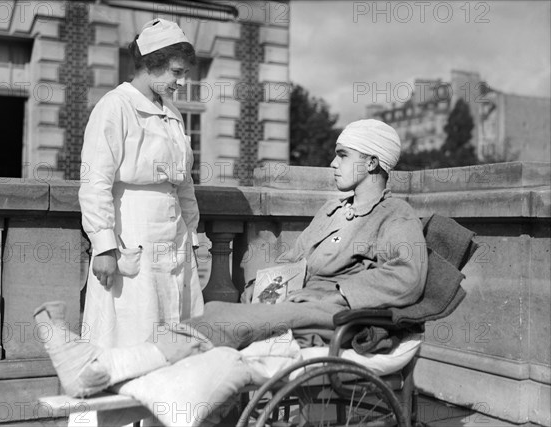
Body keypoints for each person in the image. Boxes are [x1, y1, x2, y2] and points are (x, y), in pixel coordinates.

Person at [39, 119, 428, 399]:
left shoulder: (394, 216)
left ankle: (103, 366)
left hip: (334, 314)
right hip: (298, 302)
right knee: (221, 312)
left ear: (373, 163)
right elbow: (293, 257)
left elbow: (408, 276)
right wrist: (265, 284)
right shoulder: (333, 210)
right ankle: (104, 370)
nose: (333, 163)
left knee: (225, 319)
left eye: (343, 155)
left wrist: (339, 295)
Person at [78, 18, 203, 350]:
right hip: (133, 230)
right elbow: (95, 182)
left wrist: (191, 235)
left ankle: (166, 399)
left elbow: (184, 184)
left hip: (172, 233)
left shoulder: (173, 114)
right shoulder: (115, 107)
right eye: (176, 72)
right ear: (152, 65)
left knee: (175, 322)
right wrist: (103, 245)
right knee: (133, 325)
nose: (181, 81)